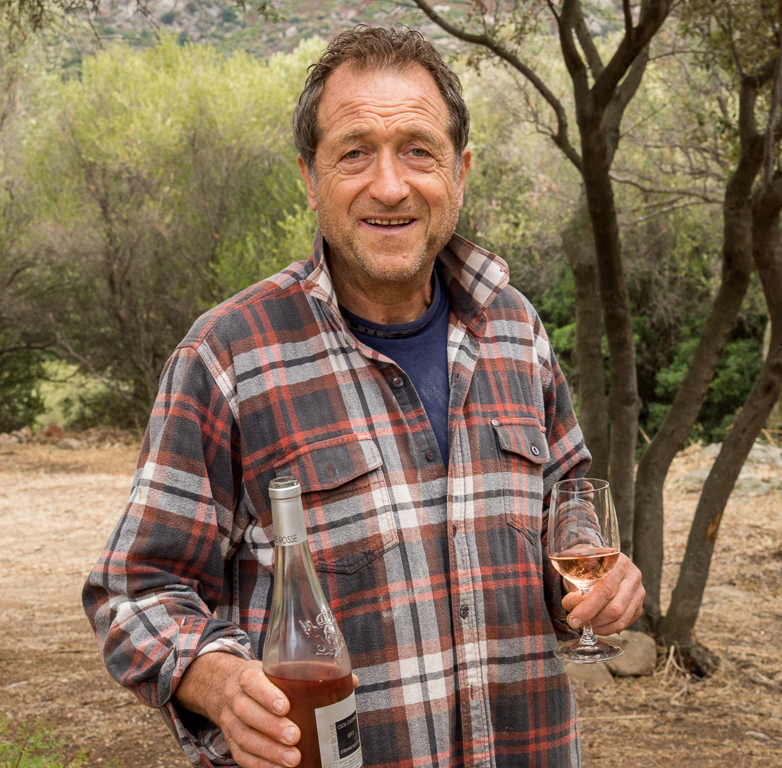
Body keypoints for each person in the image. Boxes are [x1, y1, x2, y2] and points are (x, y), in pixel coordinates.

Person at [82, 25, 645, 768]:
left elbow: (566, 494)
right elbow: (136, 591)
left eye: (418, 149)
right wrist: (217, 684)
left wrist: (585, 567)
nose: (388, 185)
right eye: (354, 153)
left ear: (460, 171)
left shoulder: (515, 327)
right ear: (309, 179)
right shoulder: (227, 356)